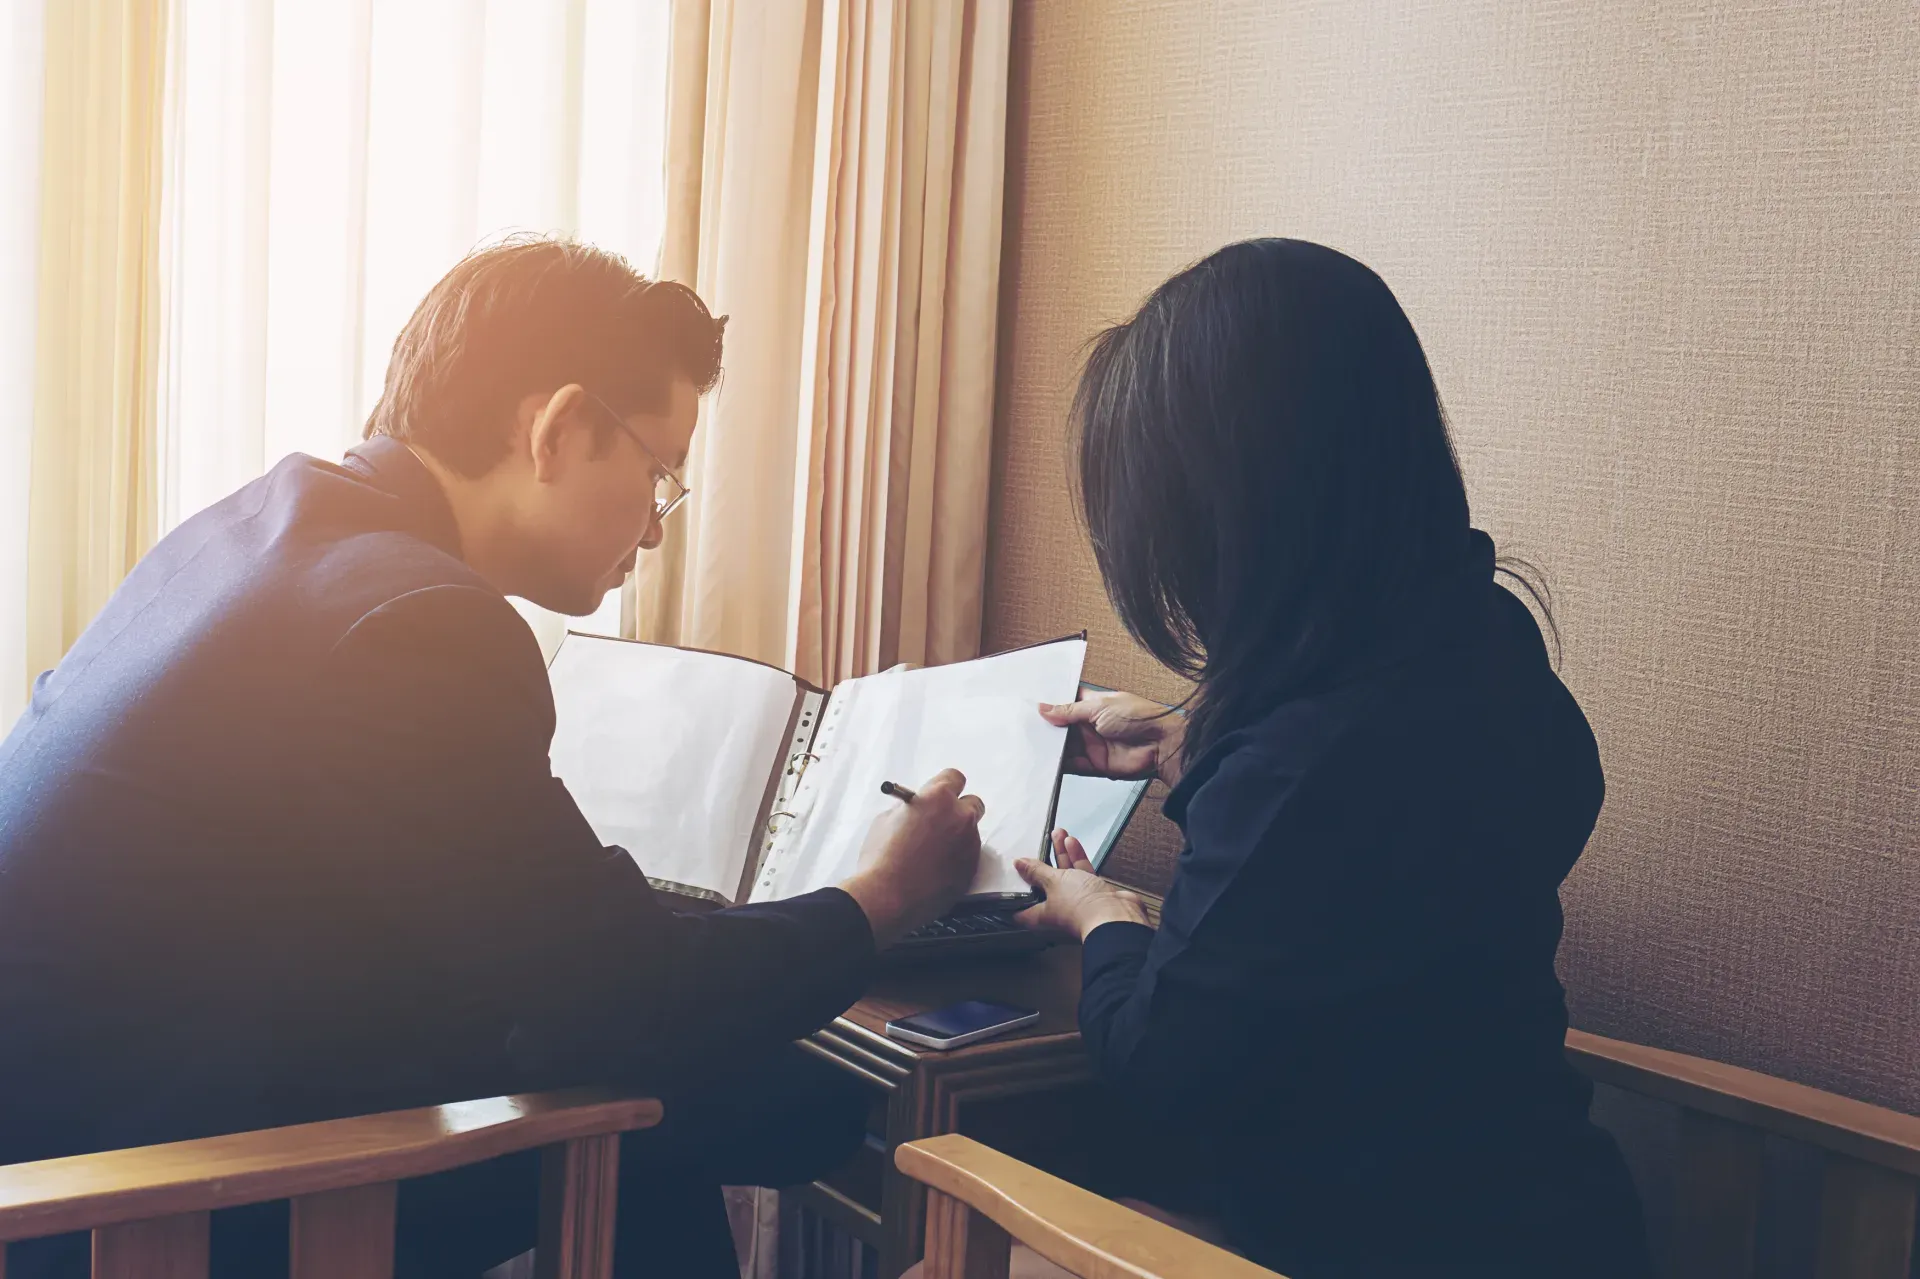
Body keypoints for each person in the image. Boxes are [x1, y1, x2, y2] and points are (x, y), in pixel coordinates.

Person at [0, 237, 985, 1278]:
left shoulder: (252, 532)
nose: (656, 530)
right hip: (140, 1215)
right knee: (715, 1097)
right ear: (557, 428)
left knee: (729, 1088)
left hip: (77, 1155)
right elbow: (624, 997)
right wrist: (882, 894)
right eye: (657, 473)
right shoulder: (418, 616)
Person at [1009, 239, 1652, 1278]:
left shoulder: (1297, 775)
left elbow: (1158, 1064)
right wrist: (1190, 742)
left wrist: (1103, 917)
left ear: (1233, 516)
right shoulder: (1487, 649)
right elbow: (1381, 823)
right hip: (1564, 1230)